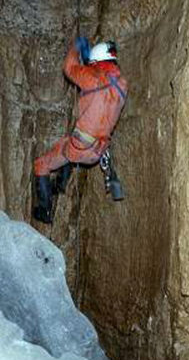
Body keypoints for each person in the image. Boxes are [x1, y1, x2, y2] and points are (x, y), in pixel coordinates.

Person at [32, 38, 128, 224]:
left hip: (80, 147)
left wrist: (77, 47)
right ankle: (59, 185)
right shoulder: (122, 85)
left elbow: (69, 68)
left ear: (96, 62)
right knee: (67, 145)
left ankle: (44, 211)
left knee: (41, 164)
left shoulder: (92, 77)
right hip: (97, 152)